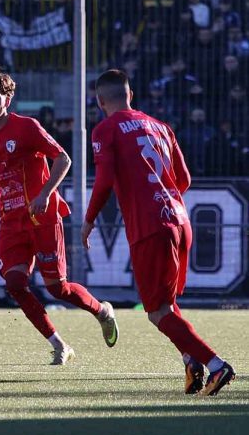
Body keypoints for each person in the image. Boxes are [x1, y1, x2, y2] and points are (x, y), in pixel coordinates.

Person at [82, 69, 236, 396]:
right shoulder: (161, 126)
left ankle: (217, 365)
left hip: (151, 227)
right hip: (180, 220)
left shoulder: (105, 129)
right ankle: (191, 363)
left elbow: (104, 180)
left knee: (157, 312)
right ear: (130, 95)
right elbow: (184, 180)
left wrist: (90, 219)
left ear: (99, 100)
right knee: (167, 304)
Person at [0, 67, 118, 365]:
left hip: (43, 218)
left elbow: (63, 158)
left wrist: (45, 192)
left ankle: (101, 311)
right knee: (14, 283)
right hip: (11, 223)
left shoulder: (27, 127)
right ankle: (60, 345)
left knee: (56, 288)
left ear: (7, 99)